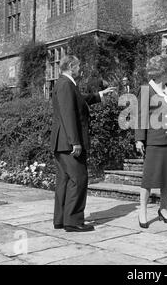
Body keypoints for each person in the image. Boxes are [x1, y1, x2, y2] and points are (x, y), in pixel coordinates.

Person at [50, 55, 116, 232]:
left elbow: (79, 100)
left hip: (62, 143)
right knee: (79, 179)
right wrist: (75, 142)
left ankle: (61, 219)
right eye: (79, 66)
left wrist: (100, 95)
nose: (81, 69)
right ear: (71, 66)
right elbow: (67, 114)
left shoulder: (67, 84)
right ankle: (73, 221)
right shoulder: (65, 84)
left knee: (64, 180)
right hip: (68, 142)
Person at [135, 54, 167, 229]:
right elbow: (140, 116)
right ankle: (143, 210)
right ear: (161, 72)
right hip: (154, 140)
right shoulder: (147, 89)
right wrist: (139, 139)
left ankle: (163, 208)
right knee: (149, 178)